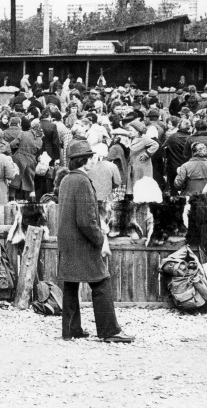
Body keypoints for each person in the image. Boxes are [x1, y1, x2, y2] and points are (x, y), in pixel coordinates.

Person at [57, 140, 134, 343]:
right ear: (86, 160)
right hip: (82, 243)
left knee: (71, 284)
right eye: (92, 157)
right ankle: (109, 331)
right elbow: (86, 221)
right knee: (102, 282)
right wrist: (100, 240)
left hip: (67, 241)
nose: (94, 161)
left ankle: (71, 330)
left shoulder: (66, 180)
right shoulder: (82, 181)